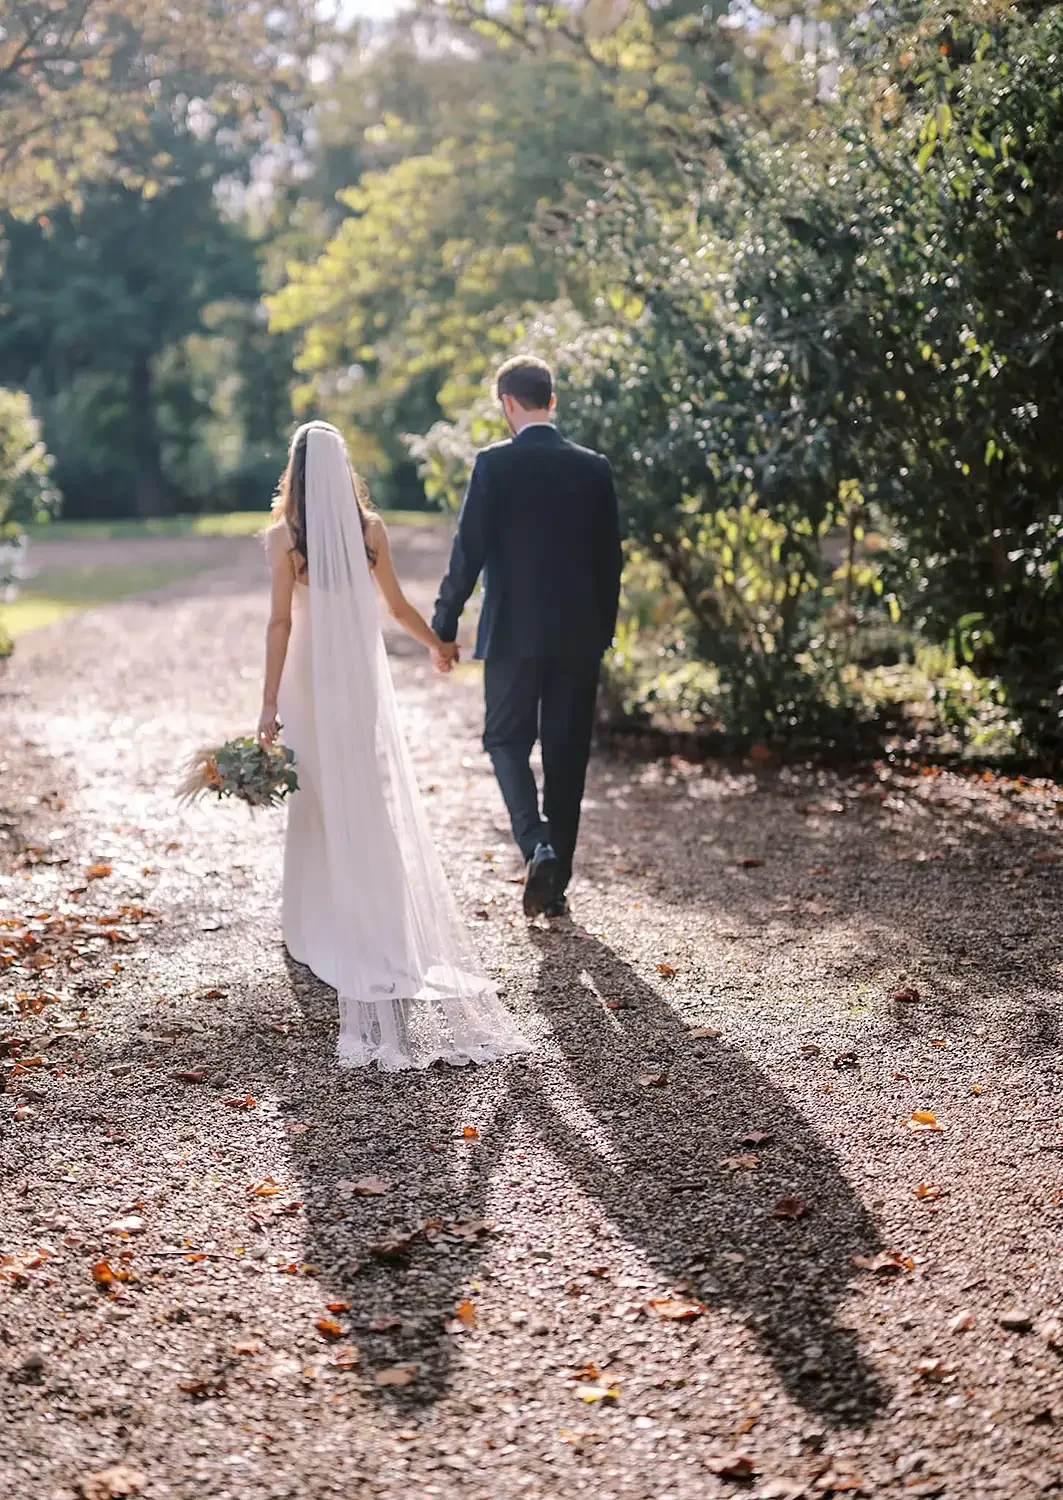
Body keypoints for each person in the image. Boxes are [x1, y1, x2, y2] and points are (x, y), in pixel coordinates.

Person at [256, 420, 529, 1071]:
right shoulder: (369, 530)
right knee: (360, 797)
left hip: (307, 685)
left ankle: (311, 927)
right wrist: (438, 644)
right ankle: (370, 925)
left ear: (294, 470)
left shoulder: (282, 540)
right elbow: (398, 608)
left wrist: (267, 703)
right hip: (356, 687)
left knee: (315, 798)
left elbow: (279, 621)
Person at [432, 355, 623, 919]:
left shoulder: (494, 466)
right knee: (567, 758)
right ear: (552, 401)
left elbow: (468, 553)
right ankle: (554, 882)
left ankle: (535, 843)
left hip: (513, 633)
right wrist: (601, 633)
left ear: (508, 404)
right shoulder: (593, 468)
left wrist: (444, 627)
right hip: (578, 638)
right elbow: (609, 563)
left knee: (505, 741)